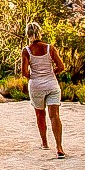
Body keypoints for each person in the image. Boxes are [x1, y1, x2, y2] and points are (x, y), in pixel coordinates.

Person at [22, 22, 66, 157]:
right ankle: (59, 148)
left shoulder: (27, 50)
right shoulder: (49, 48)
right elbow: (61, 66)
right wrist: (52, 72)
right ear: (40, 32)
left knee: (40, 115)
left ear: (27, 34)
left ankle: (45, 143)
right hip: (51, 84)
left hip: (36, 86)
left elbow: (24, 72)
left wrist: (34, 76)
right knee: (55, 116)